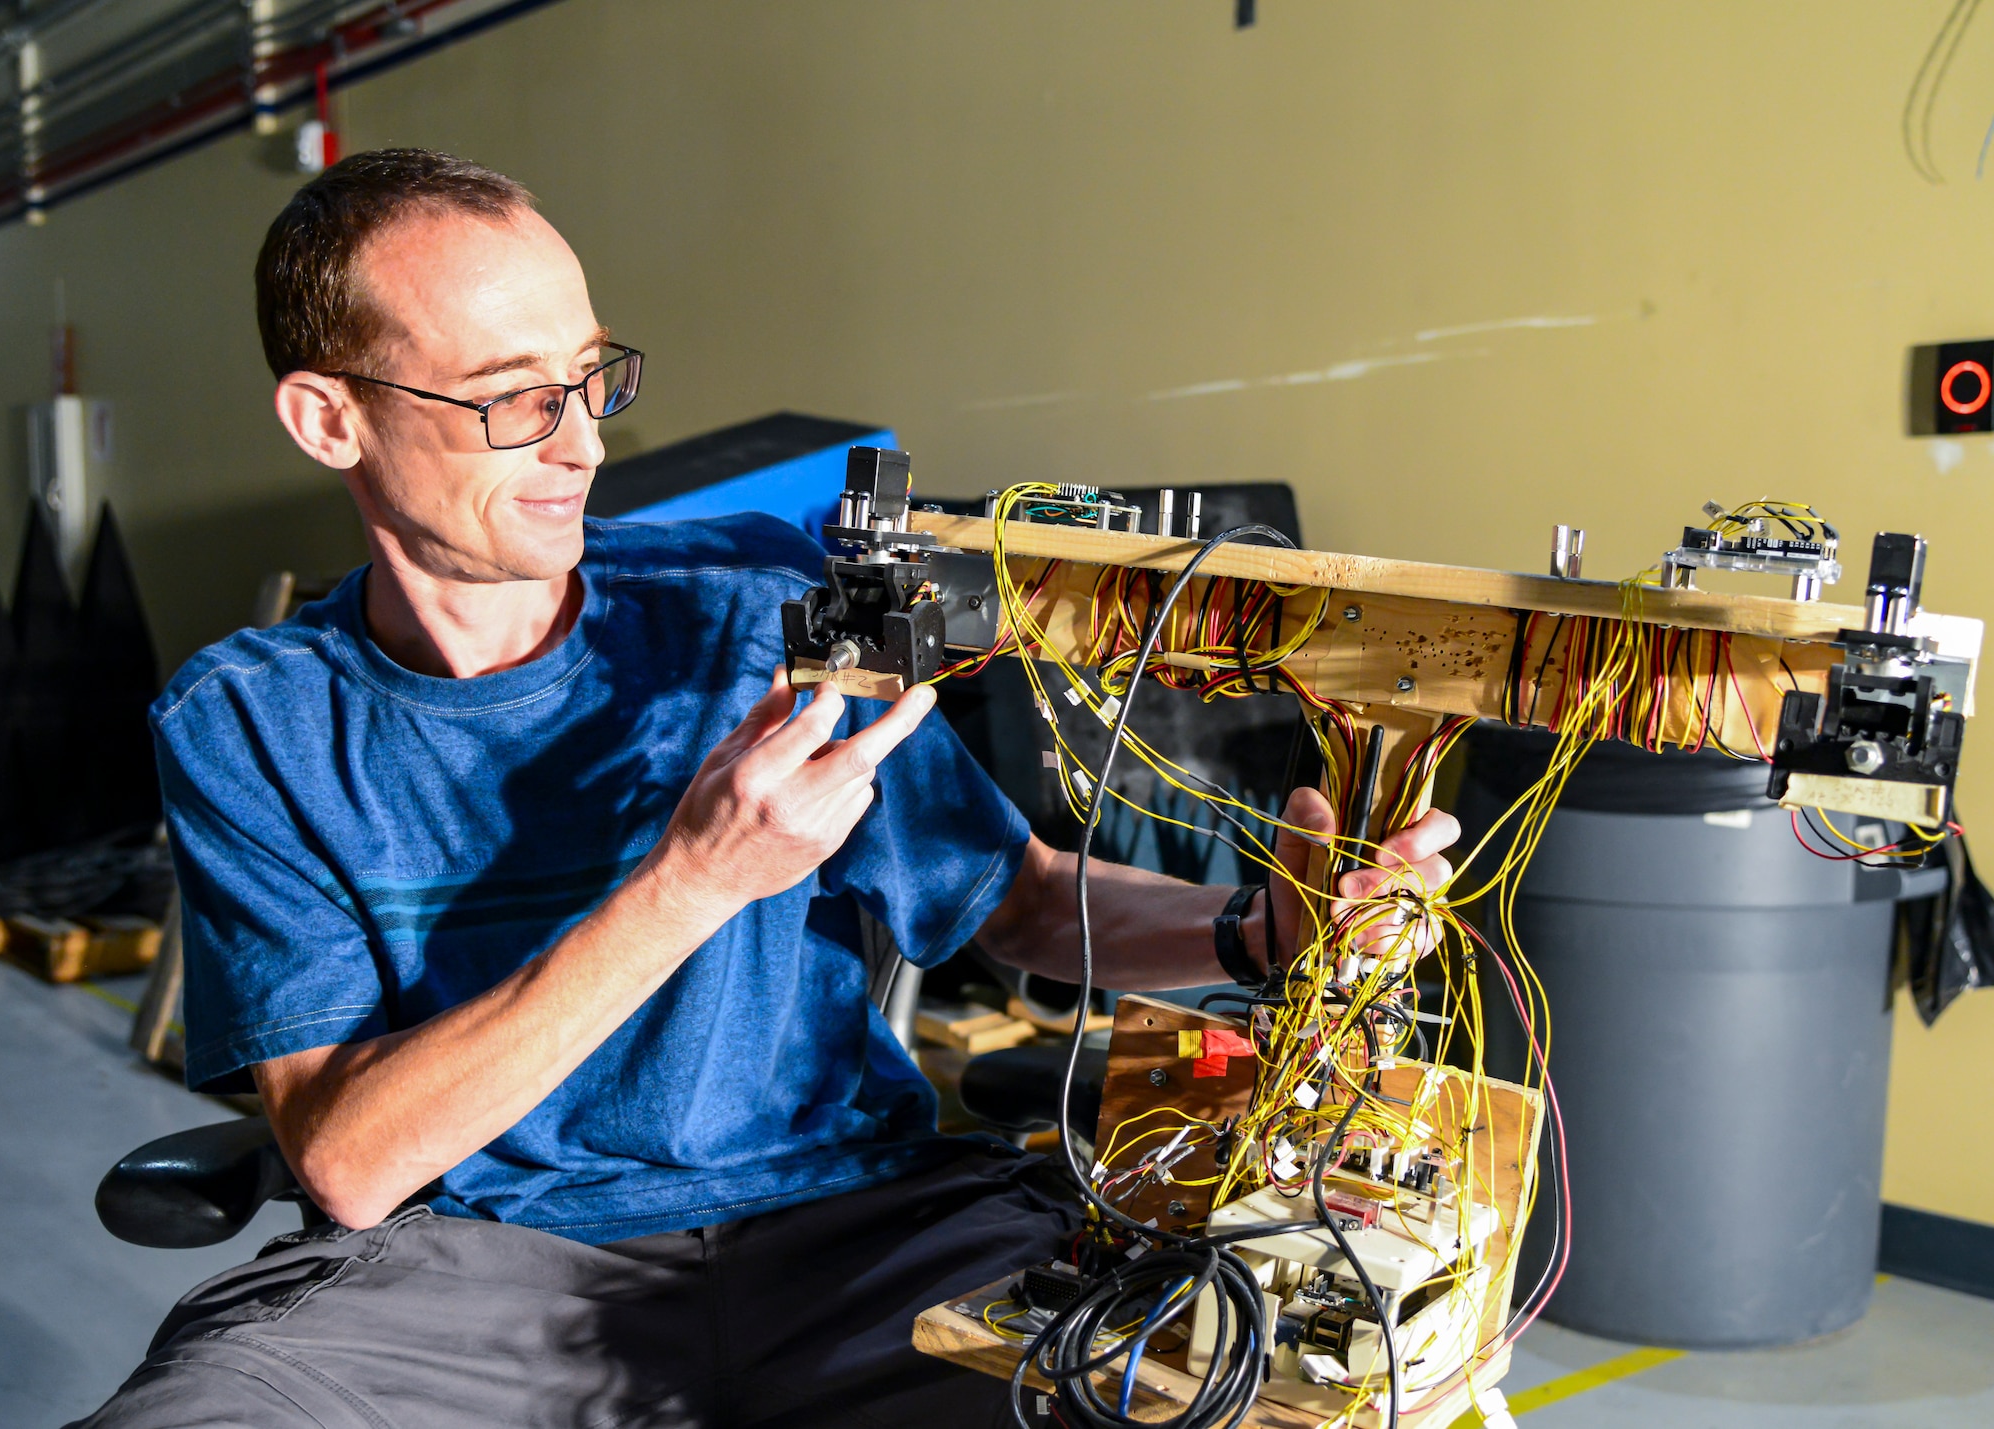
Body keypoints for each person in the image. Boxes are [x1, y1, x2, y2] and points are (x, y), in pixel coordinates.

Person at [75, 149, 1455, 1429]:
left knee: (1205, 1387)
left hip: (861, 1233)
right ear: (330, 418)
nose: (583, 445)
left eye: (592, 376)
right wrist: (690, 882)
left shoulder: (748, 602)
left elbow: (1021, 904)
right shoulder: (251, 721)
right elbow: (350, 1159)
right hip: (476, 1271)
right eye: (512, 399)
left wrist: (1255, 931)